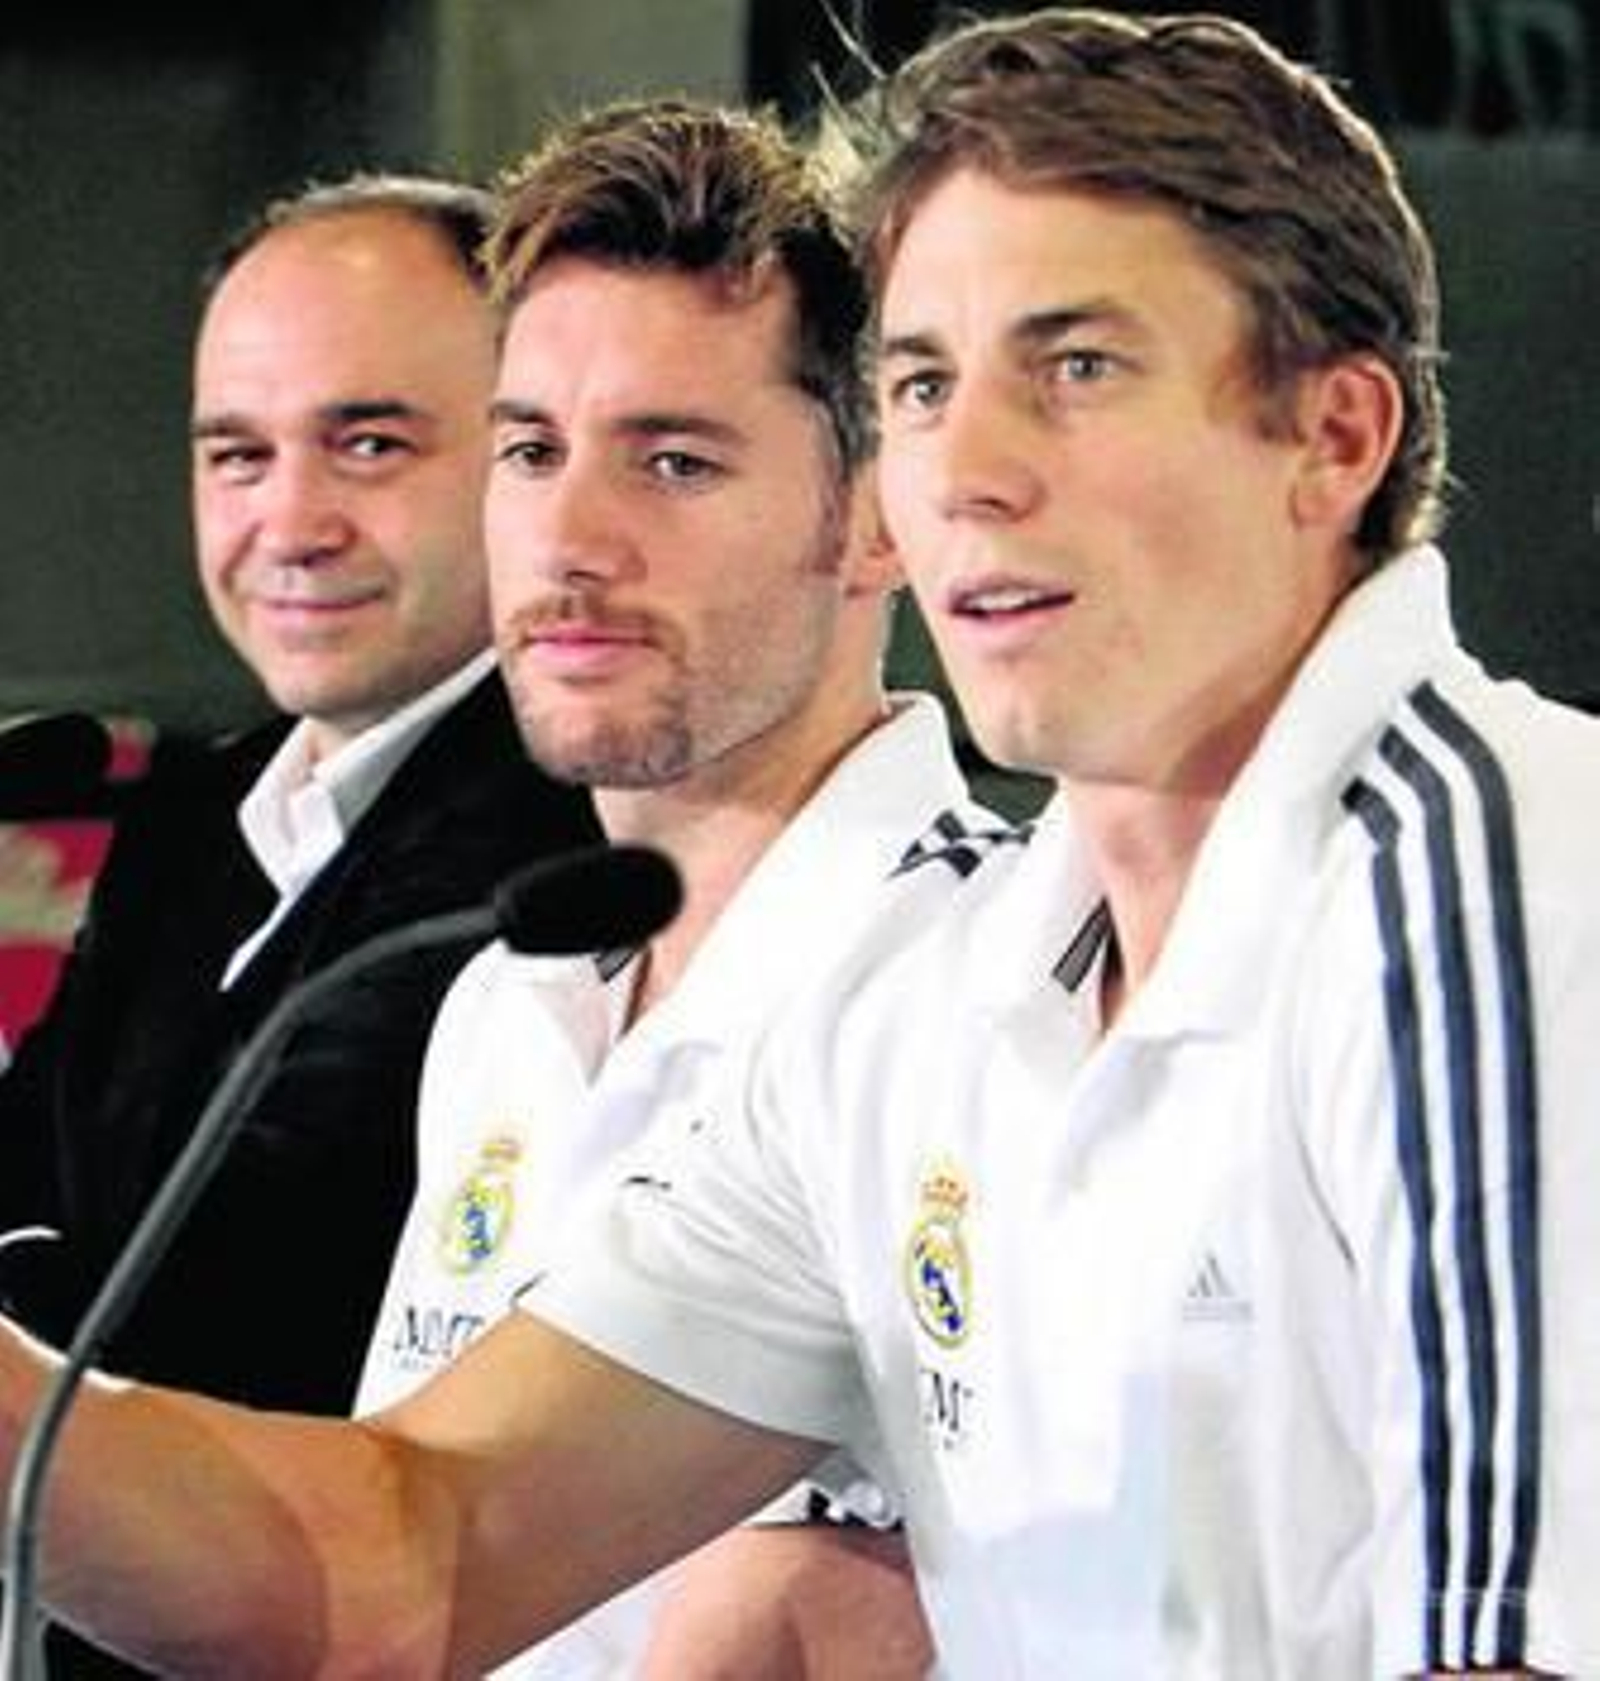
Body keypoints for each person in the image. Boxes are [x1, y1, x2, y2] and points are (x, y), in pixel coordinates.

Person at [0, 9, 1595, 1679]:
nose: (963, 473)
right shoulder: (934, 1014)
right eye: (922, 383)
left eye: (1077, 369)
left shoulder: (1502, 884)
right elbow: (415, 1553)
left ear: (1335, 437)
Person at [352, 98, 1007, 1678]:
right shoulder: (501, 997)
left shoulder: (994, 993)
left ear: (877, 519)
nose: (569, 538)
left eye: (673, 460)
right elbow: (388, 1570)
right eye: (530, 451)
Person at [0, 175, 598, 1670]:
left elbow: (231, 1307)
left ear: (530, 459)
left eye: (369, 444)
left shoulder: (564, 845)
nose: (289, 521)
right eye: (237, 454)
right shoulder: (206, 813)